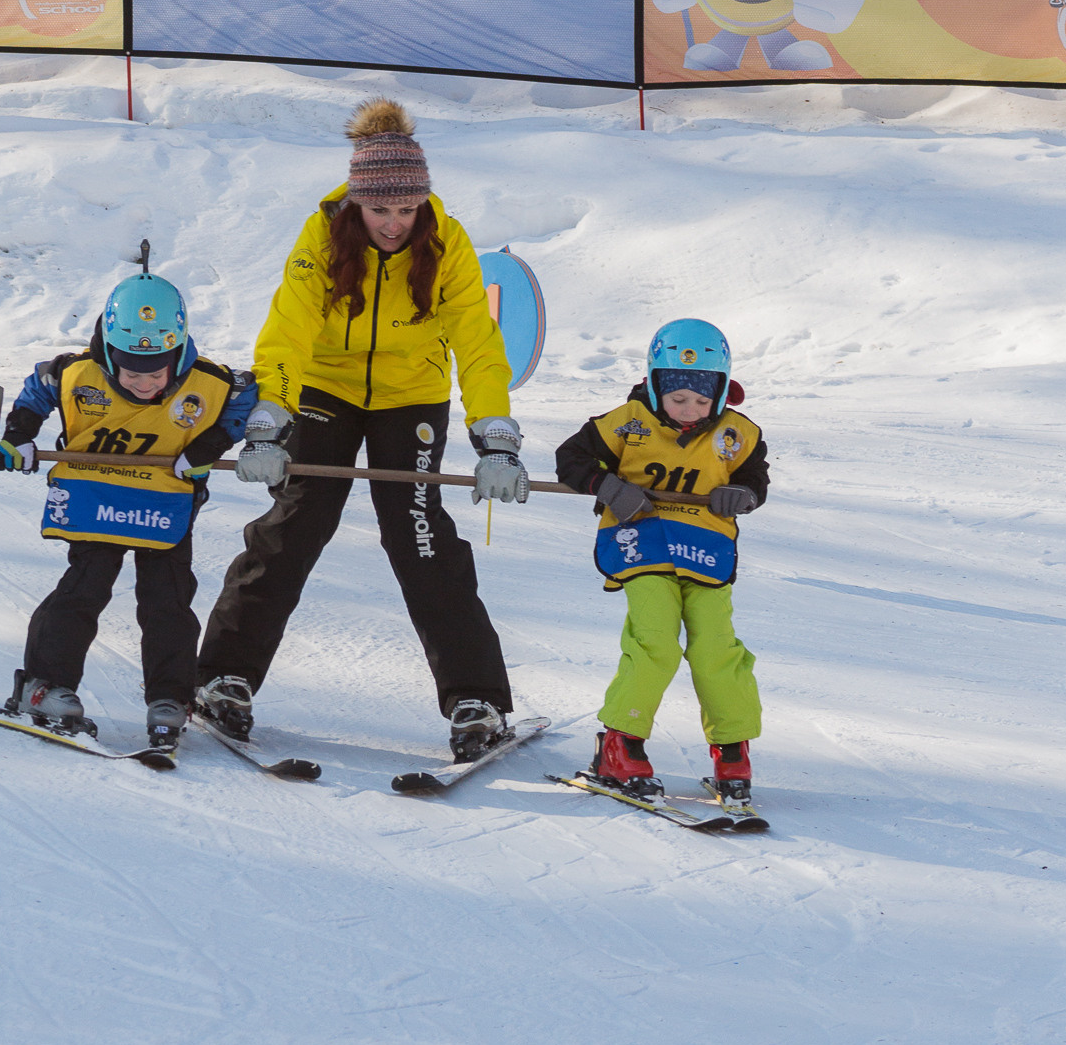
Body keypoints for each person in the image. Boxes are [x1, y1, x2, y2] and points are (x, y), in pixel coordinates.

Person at [195, 97, 528, 762]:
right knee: (296, 520)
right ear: (356, 203)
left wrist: (494, 432)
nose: (394, 224)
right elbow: (287, 331)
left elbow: (477, 338)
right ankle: (223, 677)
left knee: (419, 533)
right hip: (324, 387)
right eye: (380, 210)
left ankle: (476, 696)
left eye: (406, 211)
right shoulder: (321, 234)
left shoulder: (447, 239)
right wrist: (268, 421)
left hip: (413, 395)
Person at [0, 270, 257, 752]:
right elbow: (39, 389)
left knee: (168, 601)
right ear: (108, 353)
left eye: (155, 372)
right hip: (95, 497)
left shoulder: (213, 383)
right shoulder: (75, 373)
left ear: (178, 357)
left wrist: (213, 443)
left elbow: (245, 407)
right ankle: (44, 686)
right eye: (130, 371)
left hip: (164, 503)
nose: (142, 381)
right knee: (84, 590)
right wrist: (20, 432)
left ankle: (170, 699)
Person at [555, 318, 768, 806]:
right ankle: (620, 743)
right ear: (655, 385)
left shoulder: (738, 434)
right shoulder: (627, 421)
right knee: (655, 641)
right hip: (643, 539)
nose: (690, 410)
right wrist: (607, 486)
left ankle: (732, 748)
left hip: (703, 547)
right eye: (677, 399)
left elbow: (755, 479)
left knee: (717, 646)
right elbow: (571, 458)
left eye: (702, 400)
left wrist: (744, 494)